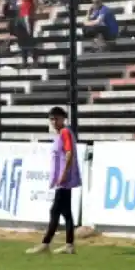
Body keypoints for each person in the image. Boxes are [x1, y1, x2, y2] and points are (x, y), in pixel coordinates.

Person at [27, 107, 82, 255]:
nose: (53, 121)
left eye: (56, 118)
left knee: (55, 210)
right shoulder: (62, 133)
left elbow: (69, 153)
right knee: (66, 212)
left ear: (63, 118)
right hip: (64, 178)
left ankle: (46, 244)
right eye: (51, 119)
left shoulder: (64, 132)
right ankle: (69, 245)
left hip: (64, 179)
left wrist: (64, 174)